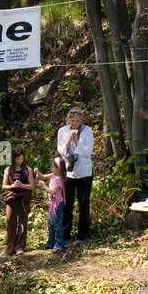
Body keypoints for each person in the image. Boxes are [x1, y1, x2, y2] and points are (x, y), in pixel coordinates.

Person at [55, 107, 94, 241]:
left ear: (81, 120)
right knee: (67, 203)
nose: (75, 123)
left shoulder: (87, 131)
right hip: (68, 172)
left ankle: (83, 234)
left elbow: (87, 152)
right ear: (68, 119)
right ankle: (65, 233)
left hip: (85, 172)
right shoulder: (62, 131)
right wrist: (69, 140)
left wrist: (77, 141)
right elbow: (61, 151)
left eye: (77, 121)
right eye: (72, 120)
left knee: (84, 204)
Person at [2, 147, 35, 255]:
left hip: (24, 197)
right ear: (13, 159)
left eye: (21, 158)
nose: (20, 161)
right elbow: (4, 185)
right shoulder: (8, 170)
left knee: (22, 221)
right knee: (10, 220)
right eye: (17, 159)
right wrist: (11, 186)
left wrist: (22, 185)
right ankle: (9, 247)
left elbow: (31, 186)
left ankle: (19, 246)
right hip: (12, 197)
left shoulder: (27, 169)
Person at [38, 161, 67, 251]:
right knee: (51, 223)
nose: (52, 168)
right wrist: (37, 171)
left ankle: (59, 245)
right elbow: (42, 176)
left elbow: (52, 191)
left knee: (57, 224)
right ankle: (51, 242)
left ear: (59, 169)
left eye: (54, 167)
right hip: (52, 203)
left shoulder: (59, 179)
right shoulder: (52, 175)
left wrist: (43, 185)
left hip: (58, 204)